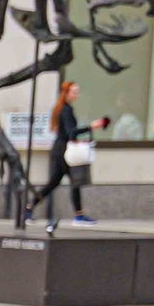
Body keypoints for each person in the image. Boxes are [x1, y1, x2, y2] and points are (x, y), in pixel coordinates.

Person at [40, 80, 107, 225]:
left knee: (55, 182)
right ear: (67, 93)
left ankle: (28, 208)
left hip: (60, 150)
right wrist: (91, 127)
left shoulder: (62, 108)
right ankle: (79, 216)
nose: (77, 95)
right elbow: (72, 132)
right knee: (73, 181)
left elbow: (66, 132)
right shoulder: (66, 110)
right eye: (75, 92)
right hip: (65, 151)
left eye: (77, 91)